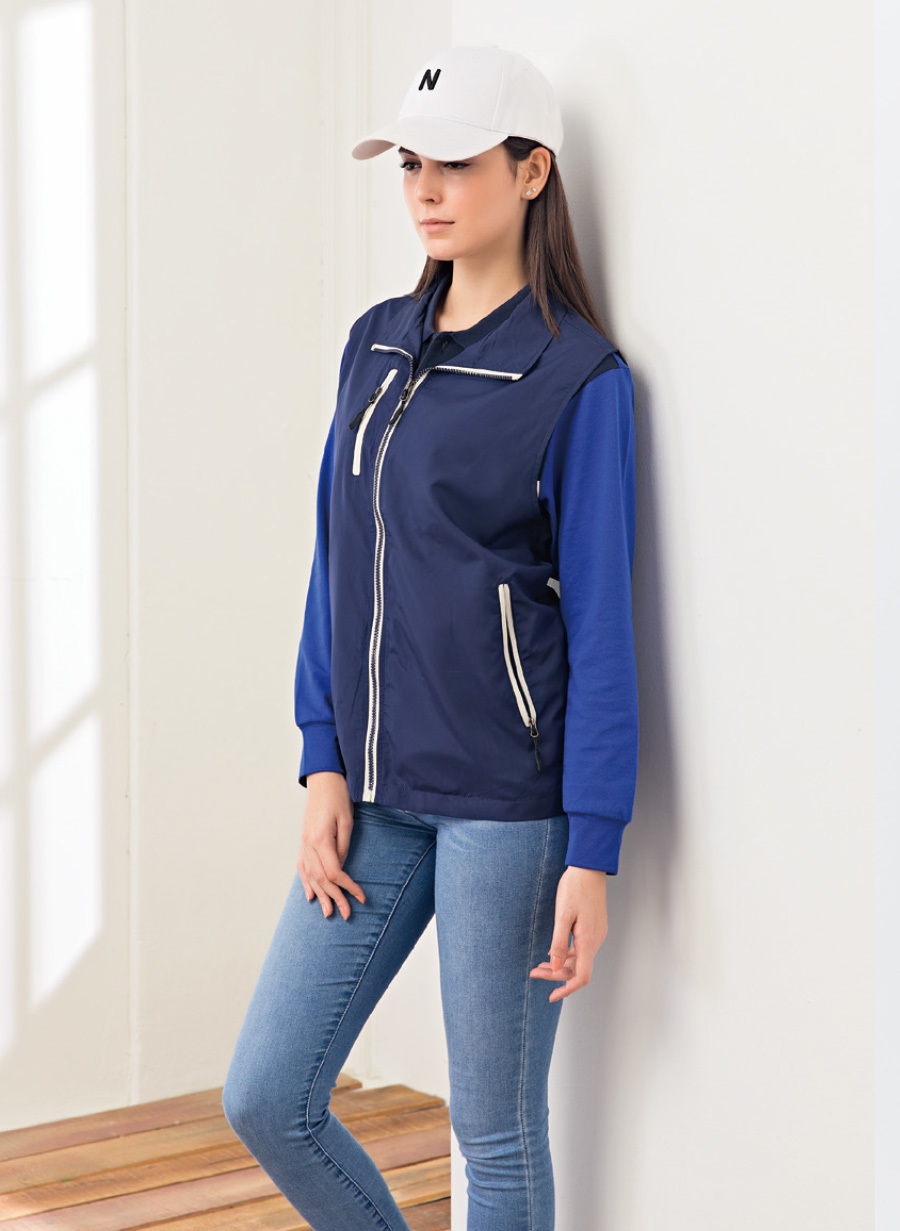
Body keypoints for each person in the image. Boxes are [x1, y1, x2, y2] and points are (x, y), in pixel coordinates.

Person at [222, 42, 639, 1231]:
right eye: (412, 163)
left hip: (509, 807)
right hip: (375, 794)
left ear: (532, 171)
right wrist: (321, 760)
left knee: (494, 1134)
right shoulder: (376, 343)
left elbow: (604, 627)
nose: (427, 189)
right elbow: (336, 559)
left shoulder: (577, 377)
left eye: (457, 162)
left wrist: (594, 847)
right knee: (270, 1095)